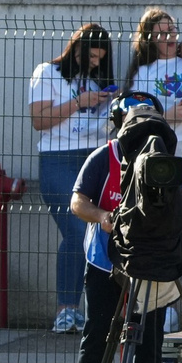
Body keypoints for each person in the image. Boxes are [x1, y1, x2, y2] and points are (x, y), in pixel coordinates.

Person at [69, 95, 182, 363]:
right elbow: (77, 200)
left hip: (152, 263)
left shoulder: (163, 161)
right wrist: (102, 216)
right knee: (98, 334)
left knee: (149, 339)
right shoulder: (103, 157)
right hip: (105, 263)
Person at [28, 25, 120, 333]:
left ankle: (96, 311)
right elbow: (39, 120)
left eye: (100, 57)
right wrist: (78, 103)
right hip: (58, 158)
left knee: (100, 231)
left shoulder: (95, 77)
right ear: (76, 48)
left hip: (94, 156)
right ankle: (66, 309)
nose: (95, 62)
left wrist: (109, 103)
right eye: (91, 55)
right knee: (76, 227)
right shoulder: (47, 72)